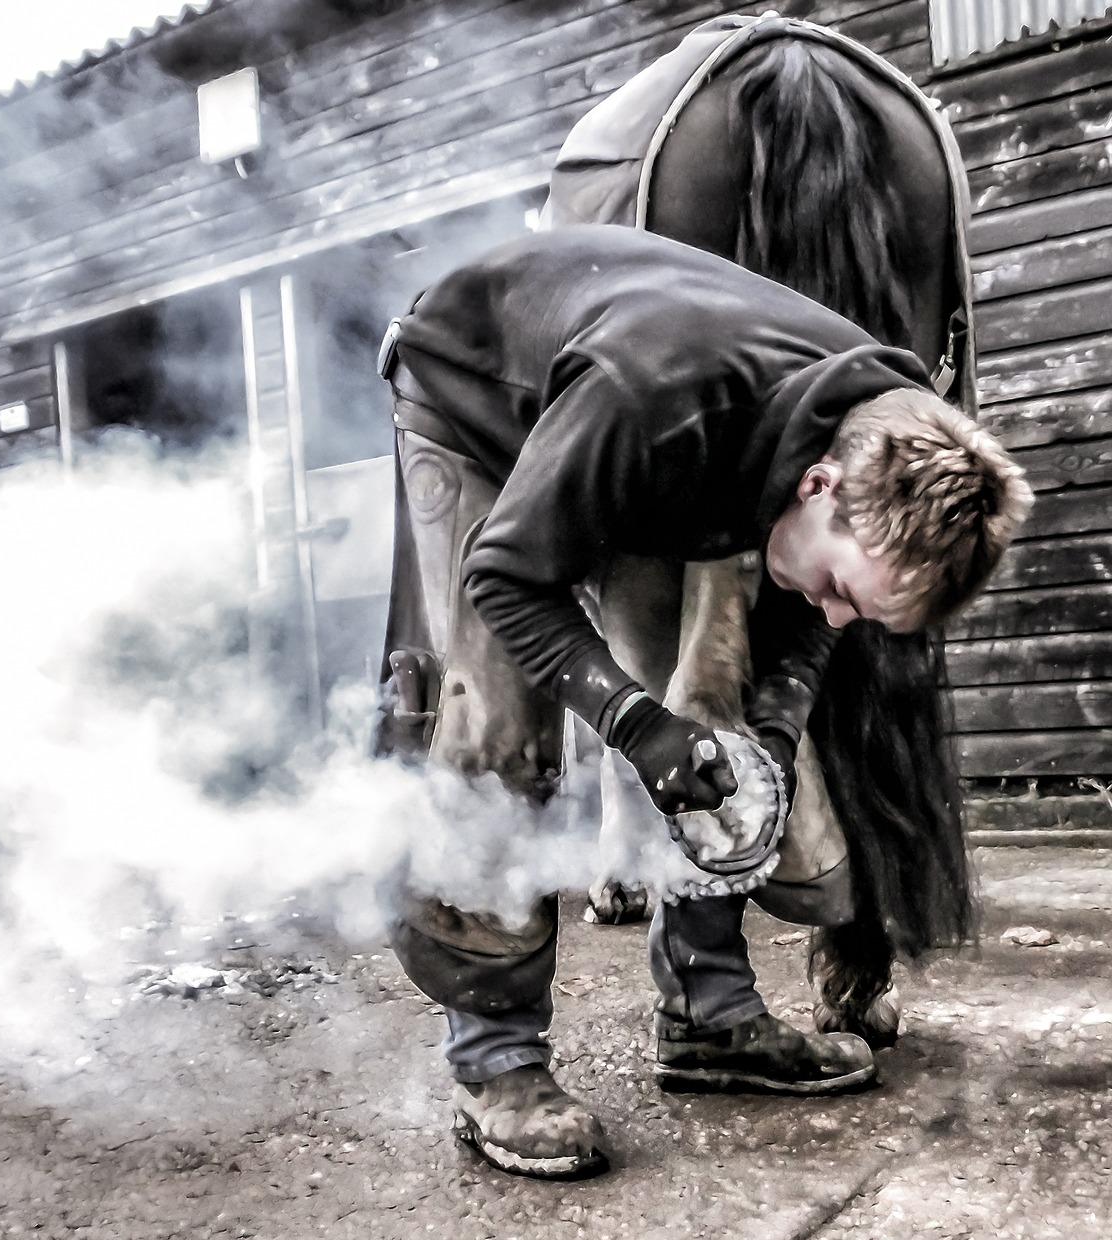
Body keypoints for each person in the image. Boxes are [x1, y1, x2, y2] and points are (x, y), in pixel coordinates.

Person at [374, 224, 1031, 1180]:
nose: (836, 609)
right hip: (480, 401)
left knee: (713, 711)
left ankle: (709, 1019)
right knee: (498, 726)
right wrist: (637, 729)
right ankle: (497, 1064)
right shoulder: (652, 402)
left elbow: (819, 617)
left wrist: (769, 725)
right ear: (818, 486)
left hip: (679, 439)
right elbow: (508, 579)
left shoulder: (876, 433)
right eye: (843, 585)